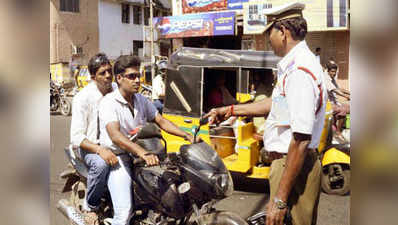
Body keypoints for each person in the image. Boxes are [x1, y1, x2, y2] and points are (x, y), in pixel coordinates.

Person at [205, 3, 326, 225]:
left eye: (269, 32)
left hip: (293, 164)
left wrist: (279, 200)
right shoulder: (294, 66)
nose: (268, 39)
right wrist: (231, 110)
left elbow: (300, 139)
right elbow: (276, 104)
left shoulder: (300, 71)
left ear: (283, 32)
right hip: (290, 164)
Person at [98, 55, 198, 225]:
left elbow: (161, 121)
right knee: (124, 213)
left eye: (139, 76)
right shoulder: (109, 102)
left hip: (141, 155)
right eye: (132, 76)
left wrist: (186, 135)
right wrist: (142, 152)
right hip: (119, 157)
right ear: (119, 78)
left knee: (171, 187)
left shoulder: (141, 100)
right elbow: (115, 135)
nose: (137, 80)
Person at [70, 53, 118, 225]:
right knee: (100, 164)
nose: (108, 76)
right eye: (102, 73)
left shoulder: (117, 91)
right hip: (90, 147)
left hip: (116, 144)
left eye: (109, 72)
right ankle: (91, 207)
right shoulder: (82, 98)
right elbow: (76, 136)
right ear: (92, 77)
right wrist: (99, 150)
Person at [324, 60, 350, 142]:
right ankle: (338, 132)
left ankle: (340, 128)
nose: (334, 73)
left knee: (349, 107)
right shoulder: (326, 79)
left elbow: (338, 88)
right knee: (342, 109)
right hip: (327, 103)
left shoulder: (332, 78)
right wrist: (345, 96)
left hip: (334, 102)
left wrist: (350, 93)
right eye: (332, 72)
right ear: (328, 71)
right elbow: (334, 90)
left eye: (335, 72)